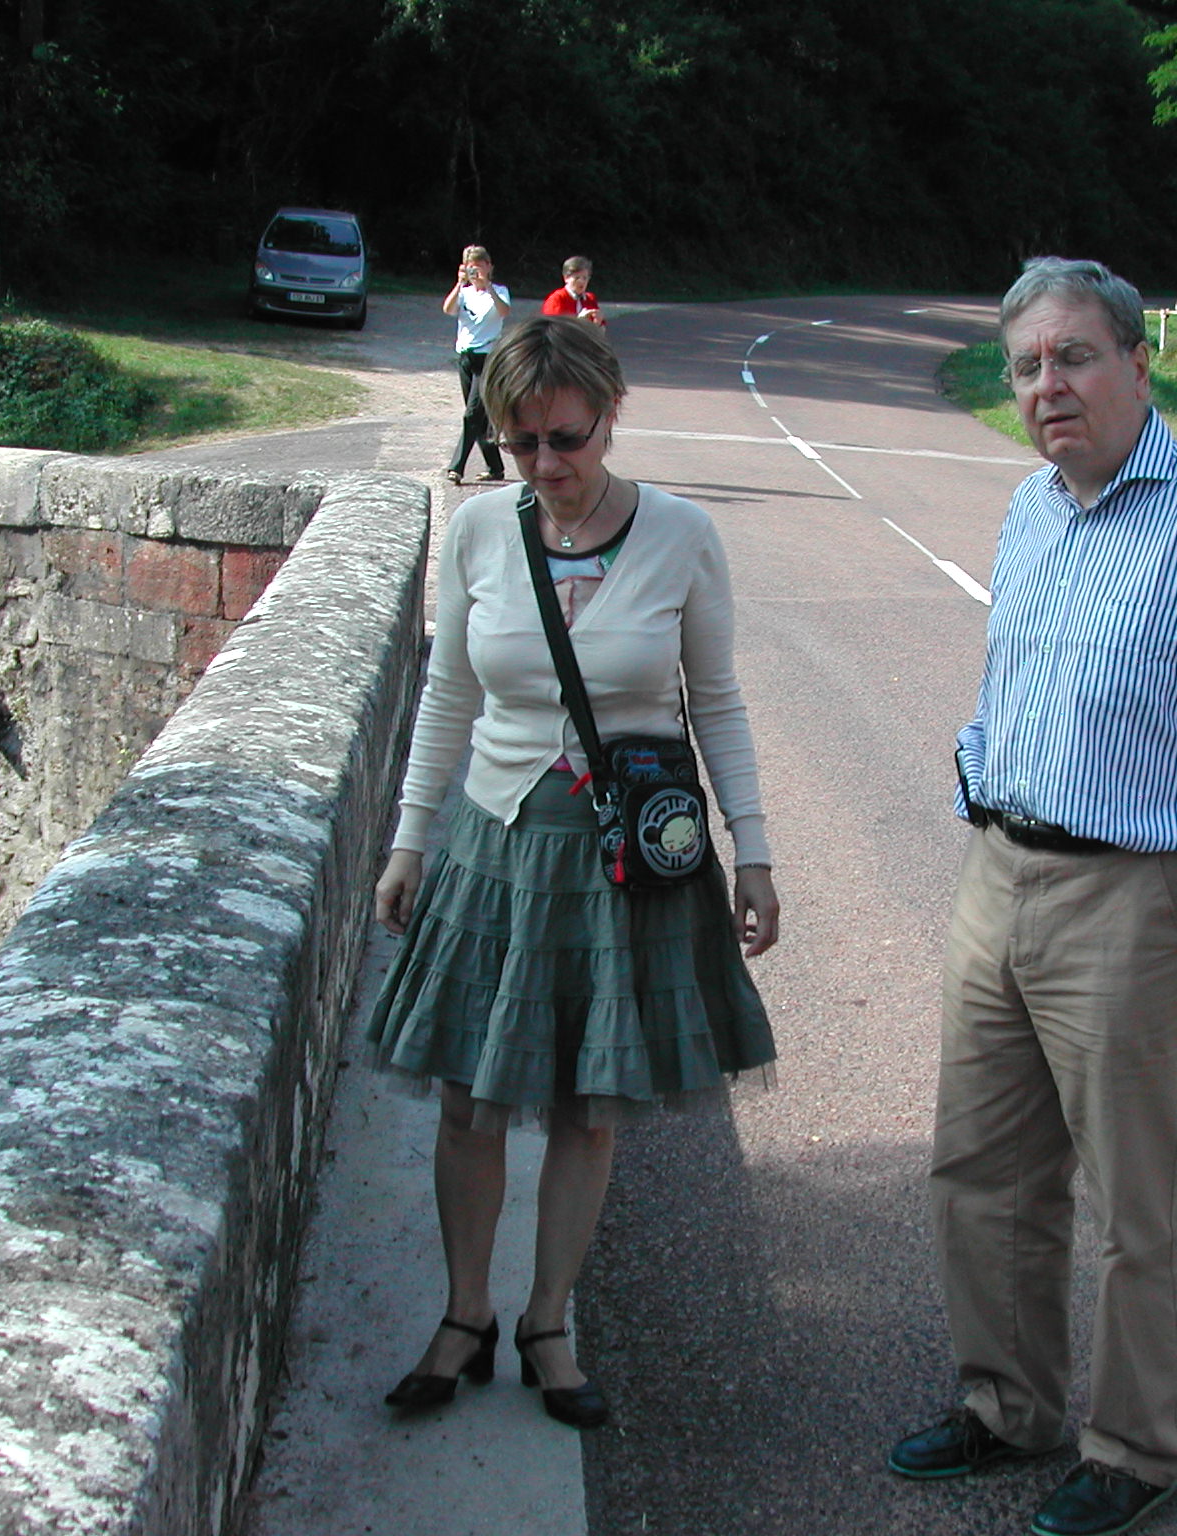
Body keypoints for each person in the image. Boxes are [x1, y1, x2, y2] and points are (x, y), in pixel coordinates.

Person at [888, 257, 1177, 1536]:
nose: (1046, 386)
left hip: (1132, 896)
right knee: (978, 1169)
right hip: (997, 873)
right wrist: (978, 772)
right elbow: (1008, 675)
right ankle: (1006, 1403)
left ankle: (1134, 1448)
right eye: (1025, 366)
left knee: (1134, 1200)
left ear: (1136, 362)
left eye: (1071, 356)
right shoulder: (1029, 507)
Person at [367, 315, 782, 1431]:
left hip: (620, 860)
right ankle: (465, 1316)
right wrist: (409, 839)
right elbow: (448, 695)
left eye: (566, 438)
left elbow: (717, 702)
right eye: (520, 443)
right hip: (495, 846)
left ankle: (548, 1322)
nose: (546, 464)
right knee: (468, 1099)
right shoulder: (477, 533)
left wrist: (753, 848)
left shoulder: (683, 534)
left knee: (586, 1109)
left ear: (609, 416)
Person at [443, 244, 511, 484]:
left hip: (487, 359)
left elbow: (504, 311)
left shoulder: (499, 291)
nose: (476, 273)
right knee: (478, 419)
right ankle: (495, 467)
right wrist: (459, 283)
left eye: (479, 268)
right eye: (471, 269)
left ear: (489, 267)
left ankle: (456, 467)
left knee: (471, 414)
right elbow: (448, 309)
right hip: (466, 357)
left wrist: (487, 286)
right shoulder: (464, 293)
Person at [540, 255, 605, 327]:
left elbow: (600, 329)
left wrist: (597, 323)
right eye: (577, 278)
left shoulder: (590, 298)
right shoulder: (557, 299)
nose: (582, 282)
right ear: (566, 278)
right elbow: (553, 329)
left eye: (585, 278)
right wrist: (579, 321)